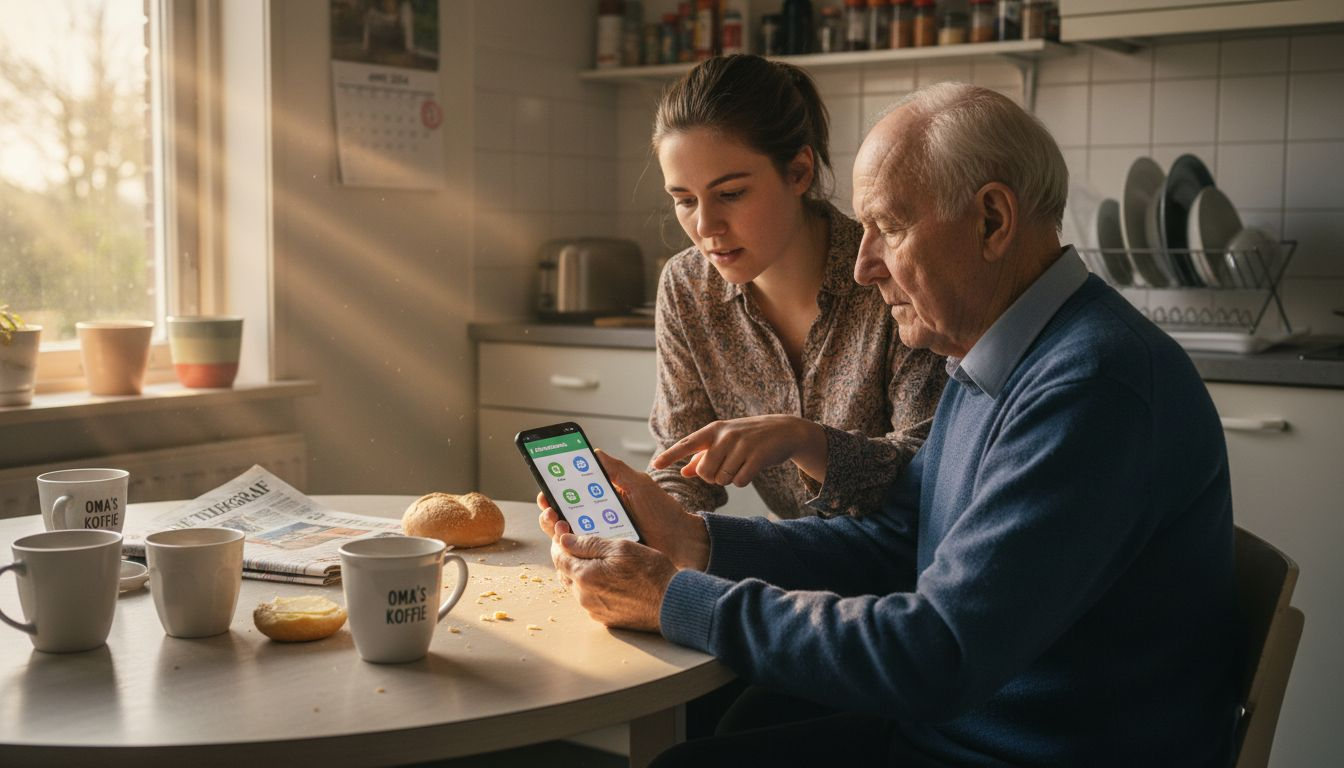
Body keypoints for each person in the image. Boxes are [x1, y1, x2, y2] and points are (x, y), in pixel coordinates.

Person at [539, 82, 1240, 767]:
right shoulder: (992, 355)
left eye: (890, 228)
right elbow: (896, 544)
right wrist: (695, 540)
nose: (864, 265)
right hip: (951, 735)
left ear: (992, 221)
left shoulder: (1090, 387)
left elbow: (937, 654)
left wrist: (676, 600)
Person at [646, 54, 946, 520]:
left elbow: (931, 475)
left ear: (799, 171)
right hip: (792, 554)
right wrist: (653, 525)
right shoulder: (687, 286)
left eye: (731, 194)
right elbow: (679, 462)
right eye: (684, 200)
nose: (705, 226)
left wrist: (807, 441)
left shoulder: (889, 274)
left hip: (901, 556)